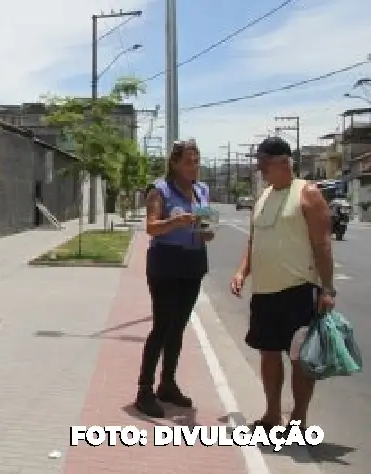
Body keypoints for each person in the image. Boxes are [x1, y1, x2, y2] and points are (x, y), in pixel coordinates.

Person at [230, 136, 334, 432]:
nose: (259, 168)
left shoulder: (308, 193)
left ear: (282, 162)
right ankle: (272, 415)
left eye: (263, 162)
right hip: (264, 293)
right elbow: (254, 241)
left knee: (299, 358)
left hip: (298, 290)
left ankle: (298, 421)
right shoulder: (263, 197)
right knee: (268, 354)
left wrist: (327, 289)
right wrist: (241, 272)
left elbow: (323, 245)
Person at [136, 139, 214, 418]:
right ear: (175, 163)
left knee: (179, 327)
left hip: (193, 262)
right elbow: (151, 227)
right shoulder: (160, 190)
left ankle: (167, 383)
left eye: (197, 161)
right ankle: (144, 390)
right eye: (189, 161)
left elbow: (206, 227)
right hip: (165, 263)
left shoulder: (202, 190)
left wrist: (206, 231)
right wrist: (175, 223)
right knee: (162, 326)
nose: (194, 166)